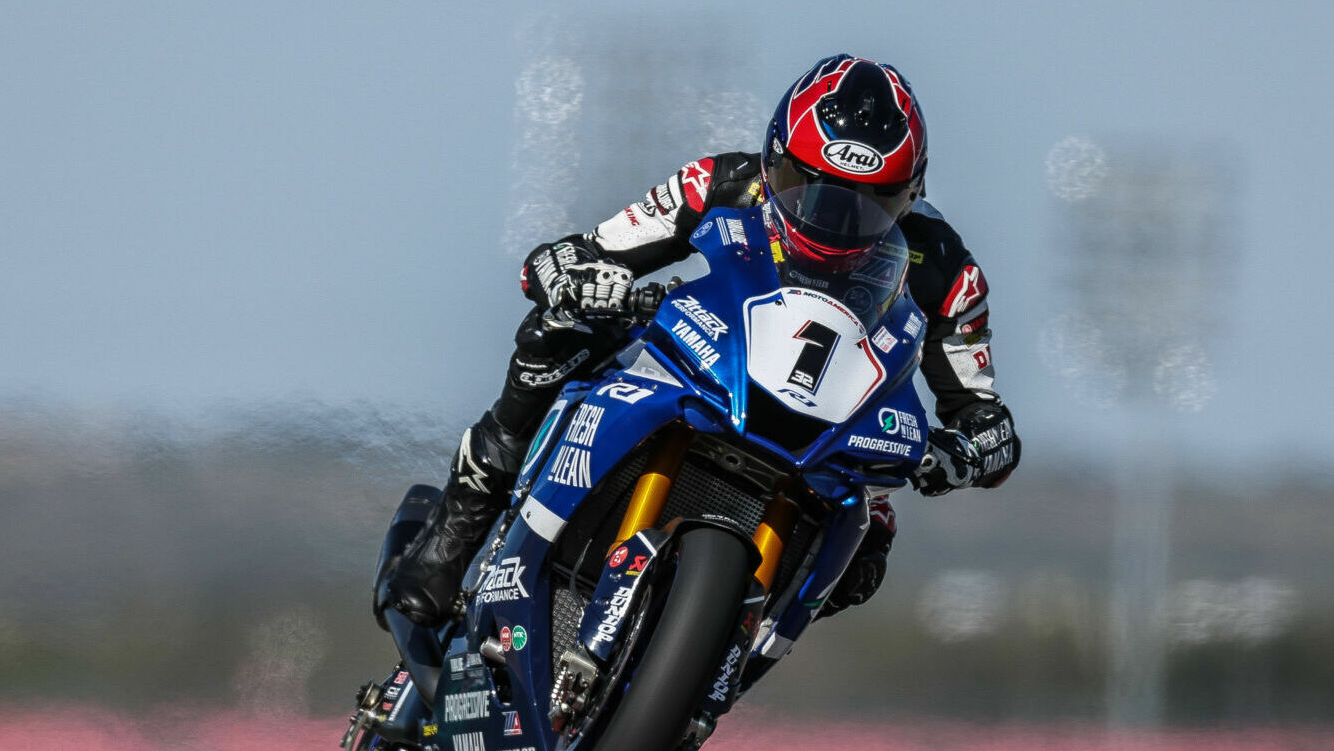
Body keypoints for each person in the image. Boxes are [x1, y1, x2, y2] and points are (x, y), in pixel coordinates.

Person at [378, 54, 1020, 629]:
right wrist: (581, 279)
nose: (835, 219)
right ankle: (456, 531)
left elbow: (986, 419)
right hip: (709, 360)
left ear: (912, 194)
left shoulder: (946, 268)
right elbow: (563, 260)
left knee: (866, 550)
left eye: (870, 203)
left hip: (834, 421)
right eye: (810, 188)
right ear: (773, 162)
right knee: (556, 336)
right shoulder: (717, 184)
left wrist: (967, 453)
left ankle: (717, 664)